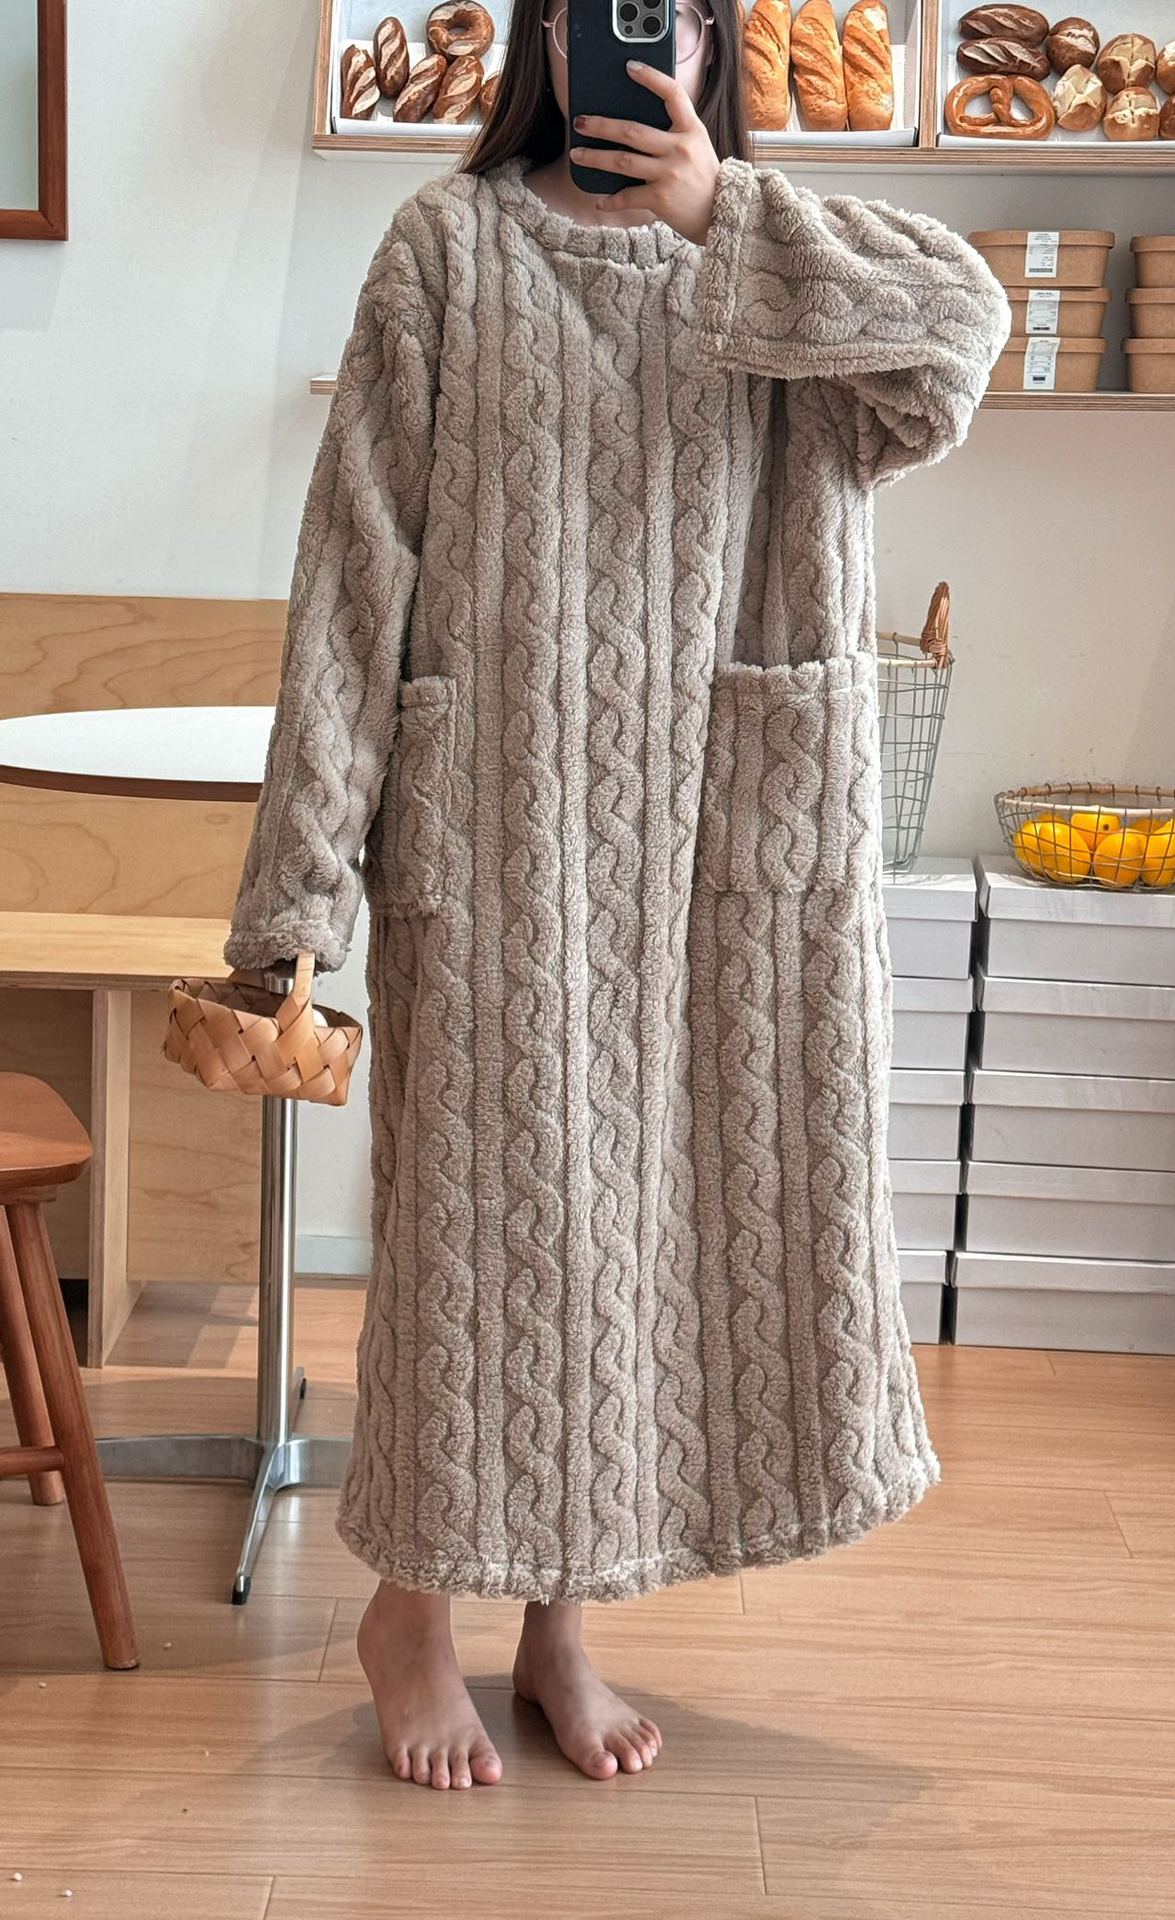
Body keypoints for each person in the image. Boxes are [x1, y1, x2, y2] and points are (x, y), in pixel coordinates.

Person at [223, 0, 1012, 1791]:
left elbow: (965, 332)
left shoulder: (778, 255)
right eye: (598, 10)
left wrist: (727, 215)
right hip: (499, 839)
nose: (635, 45)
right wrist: (300, 893)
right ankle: (409, 1613)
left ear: (715, 43)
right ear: (546, 33)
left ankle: (562, 1626)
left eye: (674, 14)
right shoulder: (445, 249)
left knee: (652, 1241)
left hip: (730, 853)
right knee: (488, 1236)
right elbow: (353, 574)